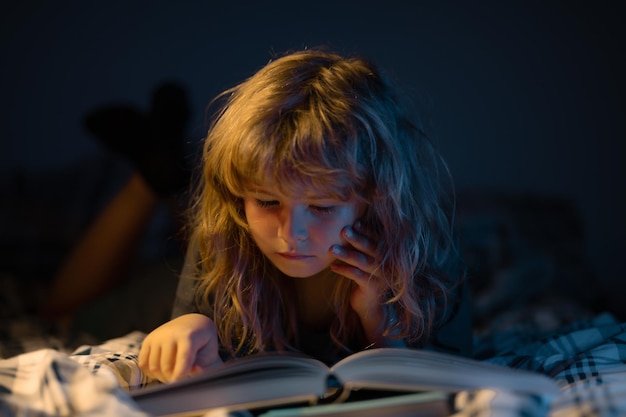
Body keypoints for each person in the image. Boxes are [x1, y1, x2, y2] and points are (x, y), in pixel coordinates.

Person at [138, 48, 472, 383]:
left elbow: (437, 386)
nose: (290, 233)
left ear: (375, 198)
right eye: (267, 202)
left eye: (322, 207)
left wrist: (375, 313)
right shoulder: (224, 236)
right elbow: (192, 351)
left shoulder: (427, 250)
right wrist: (189, 327)